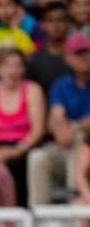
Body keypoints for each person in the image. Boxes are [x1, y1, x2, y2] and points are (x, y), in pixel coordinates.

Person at [0, 47, 45, 206]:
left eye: (17, 65)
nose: (13, 70)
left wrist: (18, 149)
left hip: (24, 147)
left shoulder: (33, 90)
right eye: (7, 65)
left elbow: (38, 130)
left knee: (26, 164)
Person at [30, 31, 90, 205]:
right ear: (68, 58)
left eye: (87, 52)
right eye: (78, 53)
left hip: (85, 145)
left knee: (80, 141)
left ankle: (76, 198)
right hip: (66, 144)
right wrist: (61, 130)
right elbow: (56, 116)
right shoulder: (62, 84)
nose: (84, 57)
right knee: (38, 158)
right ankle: (37, 213)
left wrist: (75, 128)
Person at [27, 2, 71, 96]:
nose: (55, 25)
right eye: (50, 20)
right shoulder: (34, 59)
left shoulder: (80, 56)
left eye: (60, 20)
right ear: (43, 25)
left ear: (68, 24)